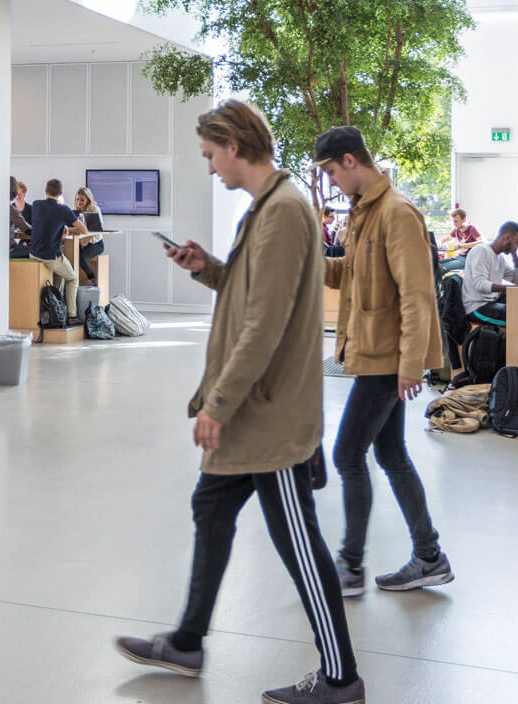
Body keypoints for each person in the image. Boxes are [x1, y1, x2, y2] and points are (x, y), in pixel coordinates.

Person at [116, 100, 360, 704]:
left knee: (298, 546)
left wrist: (218, 404)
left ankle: (341, 679)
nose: (208, 168)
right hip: (254, 414)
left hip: (267, 417)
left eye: (208, 155)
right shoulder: (268, 208)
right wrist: (207, 268)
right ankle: (187, 642)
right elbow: (253, 291)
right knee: (211, 508)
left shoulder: (281, 212)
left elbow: (264, 324)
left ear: (232, 144)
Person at [314, 125, 454, 603]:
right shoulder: (363, 213)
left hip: (387, 359)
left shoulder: (397, 214)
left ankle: (350, 567)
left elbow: (417, 295)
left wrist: (412, 364)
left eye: (332, 171)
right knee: (390, 454)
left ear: (352, 161)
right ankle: (429, 558)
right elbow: (348, 274)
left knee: (347, 454)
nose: (332, 181)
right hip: (376, 354)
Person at [26, 178, 84, 297]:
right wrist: (68, 229)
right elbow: (84, 230)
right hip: (49, 256)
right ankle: (72, 314)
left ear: (45, 191)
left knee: (61, 273)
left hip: (34, 252)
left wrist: (63, 227)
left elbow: (47, 223)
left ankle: (57, 304)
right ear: (60, 194)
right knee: (72, 279)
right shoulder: (63, 209)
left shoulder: (36, 204)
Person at [461, 221, 518, 323]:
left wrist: (516, 259)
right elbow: (481, 285)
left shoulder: (500, 258)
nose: (516, 248)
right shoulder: (481, 251)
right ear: (507, 238)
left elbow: (517, 280)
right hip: (477, 307)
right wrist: (513, 288)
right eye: (517, 244)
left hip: (491, 302)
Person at [71, 186, 105, 284]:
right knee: (71, 254)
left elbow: (101, 227)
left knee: (81, 259)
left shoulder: (94, 209)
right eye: (77, 199)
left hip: (96, 244)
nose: (79, 202)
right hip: (82, 243)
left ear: (88, 200)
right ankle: (74, 283)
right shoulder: (75, 212)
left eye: (82, 200)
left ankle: (92, 279)